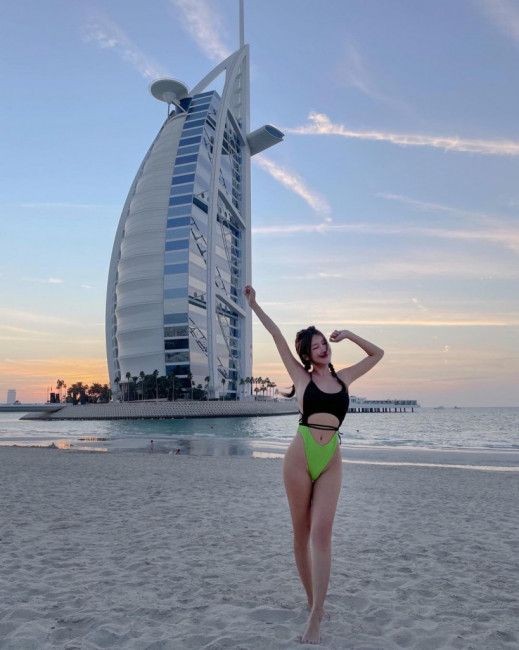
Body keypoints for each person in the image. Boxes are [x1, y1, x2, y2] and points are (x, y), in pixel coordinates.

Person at [243, 284, 384, 644]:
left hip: (331, 459)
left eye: (325, 342)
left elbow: (377, 354)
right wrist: (254, 305)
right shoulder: (301, 377)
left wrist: (349, 334)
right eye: (316, 345)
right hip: (300, 457)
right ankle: (311, 603)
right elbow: (276, 335)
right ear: (306, 353)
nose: (323, 347)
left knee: (322, 533)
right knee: (301, 533)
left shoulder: (344, 378)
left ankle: (317, 614)